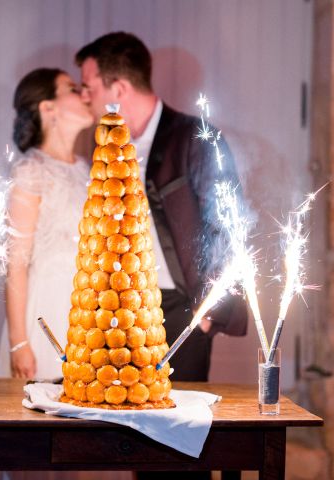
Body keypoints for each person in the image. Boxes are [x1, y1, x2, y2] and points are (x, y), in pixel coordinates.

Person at [75, 32, 248, 384]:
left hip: (180, 308)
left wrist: (209, 313)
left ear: (118, 89)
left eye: (89, 86)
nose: (83, 96)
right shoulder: (102, 143)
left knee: (177, 420)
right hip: (116, 309)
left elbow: (228, 225)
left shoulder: (195, 137)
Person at [0, 68, 94, 380]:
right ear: (48, 107)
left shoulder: (87, 168)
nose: (85, 95)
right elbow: (16, 264)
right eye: (73, 88)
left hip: (88, 311)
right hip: (47, 311)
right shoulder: (31, 171)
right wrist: (19, 343)